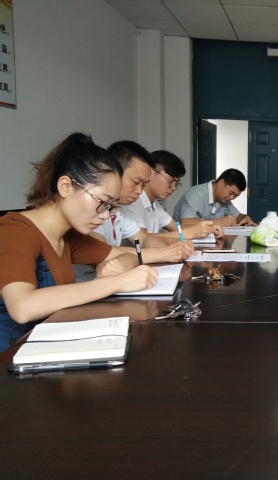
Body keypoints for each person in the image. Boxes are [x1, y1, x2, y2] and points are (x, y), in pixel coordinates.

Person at [0, 133, 159, 350]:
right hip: (10, 358)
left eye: (111, 206)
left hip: (44, 346)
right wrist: (117, 282)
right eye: (102, 202)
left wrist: (113, 268)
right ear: (66, 186)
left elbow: (124, 255)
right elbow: (22, 307)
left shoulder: (68, 235)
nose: (105, 215)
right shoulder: (14, 231)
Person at [91, 141, 196, 265]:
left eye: (144, 184)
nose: (139, 191)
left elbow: (144, 239)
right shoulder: (95, 210)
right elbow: (100, 252)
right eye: (136, 182)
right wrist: (162, 253)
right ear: (114, 173)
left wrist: (173, 243)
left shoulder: (119, 210)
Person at [121, 150, 222, 239]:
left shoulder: (154, 205)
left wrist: (207, 228)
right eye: (170, 181)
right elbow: (143, 238)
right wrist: (191, 232)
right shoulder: (132, 200)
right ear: (150, 172)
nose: (173, 188)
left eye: (176, 184)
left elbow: (177, 228)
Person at [173, 168, 256, 227]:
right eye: (231, 193)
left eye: (236, 196)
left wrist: (246, 218)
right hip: (181, 241)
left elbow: (237, 217)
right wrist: (220, 222)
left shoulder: (224, 199)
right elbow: (186, 223)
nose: (232, 198)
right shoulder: (196, 194)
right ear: (221, 183)